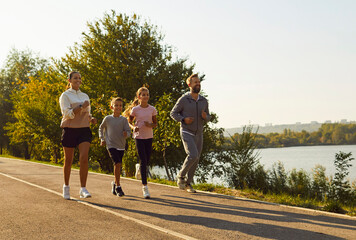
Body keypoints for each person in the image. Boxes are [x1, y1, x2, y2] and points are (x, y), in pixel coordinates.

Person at [170, 74, 211, 193]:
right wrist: (183, 119)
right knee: (193, 154)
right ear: (189, 85)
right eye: (195, 82)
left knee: (196, 159)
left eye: (199, 82)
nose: (198, 84)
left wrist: (206, 117)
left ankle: (188, 183)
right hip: (186, 131)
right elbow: (173, 113)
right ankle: (181, 176)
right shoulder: (184, 99)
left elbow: (208, 116)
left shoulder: (204, 101)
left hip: (199, 133)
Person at [59, 71, 97, 200]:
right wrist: (80, 106)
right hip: (70, 129)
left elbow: (87, 113)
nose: (78, 80)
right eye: (75, 78)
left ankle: (83, 188)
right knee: (68, 160)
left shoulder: (85, 95)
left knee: (84, 158)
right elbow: (67, 114)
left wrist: (91, 119)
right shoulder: (65, 96)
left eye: (80, 78)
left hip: (84, 130)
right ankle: (66, 186)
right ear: (69, 80)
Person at [123, 87, 157, 199]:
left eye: (147, 94)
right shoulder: (135, 110)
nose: (146, 96)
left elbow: (155, 124)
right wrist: (133, 128)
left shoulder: (152, 109)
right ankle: (145, 188)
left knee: (147, 160)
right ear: (139, 97)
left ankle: (139, 168)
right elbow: (129, 122)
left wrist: (150, 125)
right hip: (138, 137)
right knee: (143, 159)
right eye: (143, 95)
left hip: (149, 136)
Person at [99, 97, 131, 197]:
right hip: (111, 144)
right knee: (117, 163)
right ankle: (118, 187)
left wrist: (127, 134)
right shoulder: (107, 119)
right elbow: (101, 128)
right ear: (111, 107)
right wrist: (102, 138)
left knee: (118, 165)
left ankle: (114, 183)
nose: (118, 107)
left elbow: (129, 131)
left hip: (121, 145)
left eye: (120, 105)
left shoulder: (124, 120)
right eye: (116, 105)